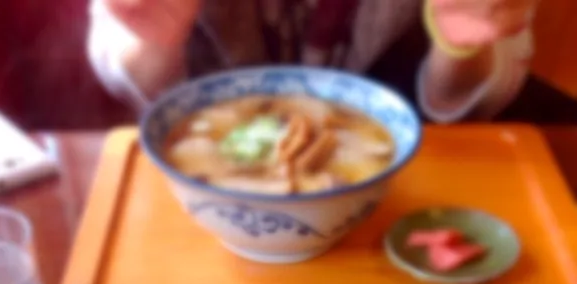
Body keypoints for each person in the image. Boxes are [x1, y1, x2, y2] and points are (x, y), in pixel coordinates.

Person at [87, 0, 535, 122]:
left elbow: (482, 97)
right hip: (205, 209)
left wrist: (460, 45)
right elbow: (123, 72)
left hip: (405, 193)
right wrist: (155, 38)